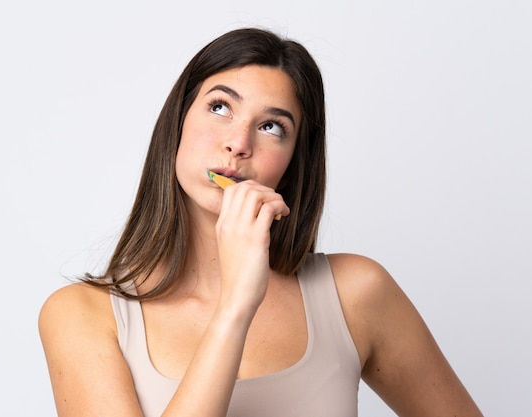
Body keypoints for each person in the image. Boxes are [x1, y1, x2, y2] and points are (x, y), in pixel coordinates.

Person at [38, 27, 483, 417]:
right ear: (177, 123)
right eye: (219, 107)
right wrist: (236, 307)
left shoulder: (357, 293)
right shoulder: (82, 316)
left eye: (272, 127)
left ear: (291, 164)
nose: (238, 143)